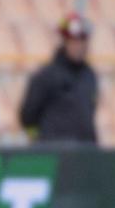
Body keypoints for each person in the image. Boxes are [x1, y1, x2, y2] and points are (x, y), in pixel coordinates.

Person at [19, 12, 99, 144]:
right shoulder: (45, 76)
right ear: (65, 42)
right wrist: (42, 142)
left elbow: (89, 113)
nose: (79, 46)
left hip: (84, 154)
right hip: (54, 154)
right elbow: (27, 117)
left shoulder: (90, 76)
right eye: (74, 40)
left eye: (83, 40)